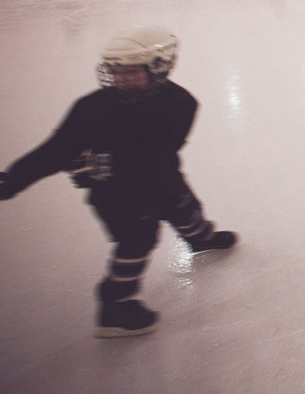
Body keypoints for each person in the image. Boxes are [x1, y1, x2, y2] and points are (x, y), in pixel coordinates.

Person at [0, 25, 237, 337]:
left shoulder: (180, 103)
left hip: (158, 176)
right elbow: (55, 150)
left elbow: (158, 153)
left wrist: (100, 162)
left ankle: (200, 237)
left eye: (132, 72)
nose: (121, 78)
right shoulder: (91, 107)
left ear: (159, 68)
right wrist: (12, 181)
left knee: (185, 207)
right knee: (138, 239)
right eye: (116, 71)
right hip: (114, 190)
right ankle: (115, 304)